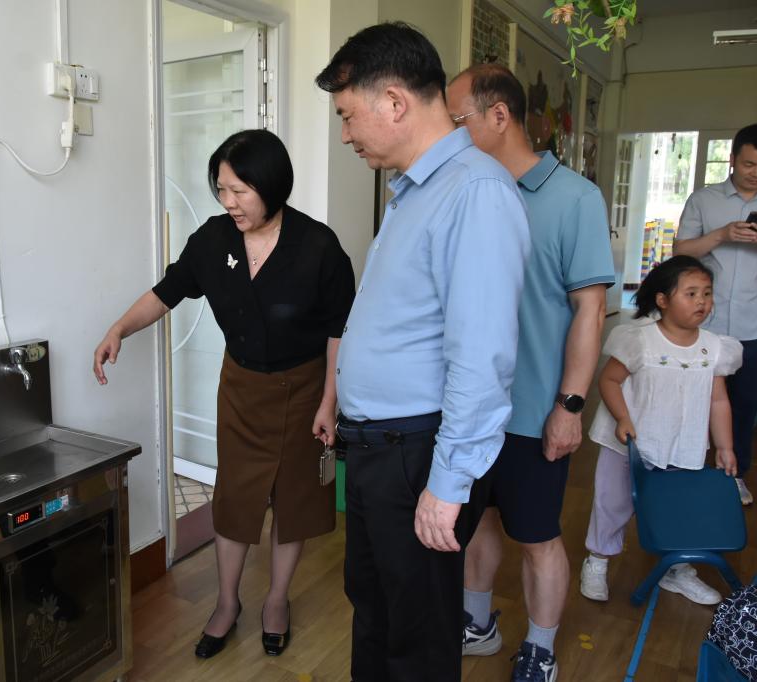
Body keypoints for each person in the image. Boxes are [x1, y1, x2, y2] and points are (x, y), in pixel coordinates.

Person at [315, 23, 530, 682]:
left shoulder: (475, 191)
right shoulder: (416, 190)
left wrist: (448, 483)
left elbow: (482, 354)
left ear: (395, 102)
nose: (346, 134)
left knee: (418, 634)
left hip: (417, 454)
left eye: (348, 116)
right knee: (376, 608)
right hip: (380, 450)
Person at [92, 129, 355, 659]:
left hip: (305, 390)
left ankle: (276, 601)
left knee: (295, 501)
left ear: (272, 186)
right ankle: (227, 603)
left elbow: (339, 331)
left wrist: (330, 401)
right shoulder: (213, 240)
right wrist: (119, 328)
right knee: (234, 499)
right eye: (221, 189)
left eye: (239, 190)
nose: (228, 201)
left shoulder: (318, 245)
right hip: (242, 389)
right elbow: (167, 292)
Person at [445, 64, 613, 682]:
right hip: (468, 406)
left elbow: (590, 310)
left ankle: (540, 648)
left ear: (498, 116)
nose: (448, 133)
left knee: (538, 535)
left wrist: (569, 406)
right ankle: (477, 622)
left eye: (456, 120)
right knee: (479, 521)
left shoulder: (575, 198)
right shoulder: (465, 190)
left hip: (534, 408)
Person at [580, 256, 741, 606]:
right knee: (612, 504)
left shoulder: (714, 348)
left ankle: (676, 569)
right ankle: (597, 560)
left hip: (681, 446)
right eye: (691, 293)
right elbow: (609, 380)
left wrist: (725, 447)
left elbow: (718, 401)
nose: (702, 301)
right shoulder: (640, 341)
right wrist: (623, 418)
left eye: (707, 293)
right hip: (629, 445)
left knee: (677, 509)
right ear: (663, 300)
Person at [672, 122, 757, 506]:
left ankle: (735, 475)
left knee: (745, 406)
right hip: (704, 324)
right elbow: (680, 252)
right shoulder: (704, 199)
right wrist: (721, 235)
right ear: (732, 160)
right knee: (695, 402)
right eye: (749, 164)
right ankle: (687, 470)